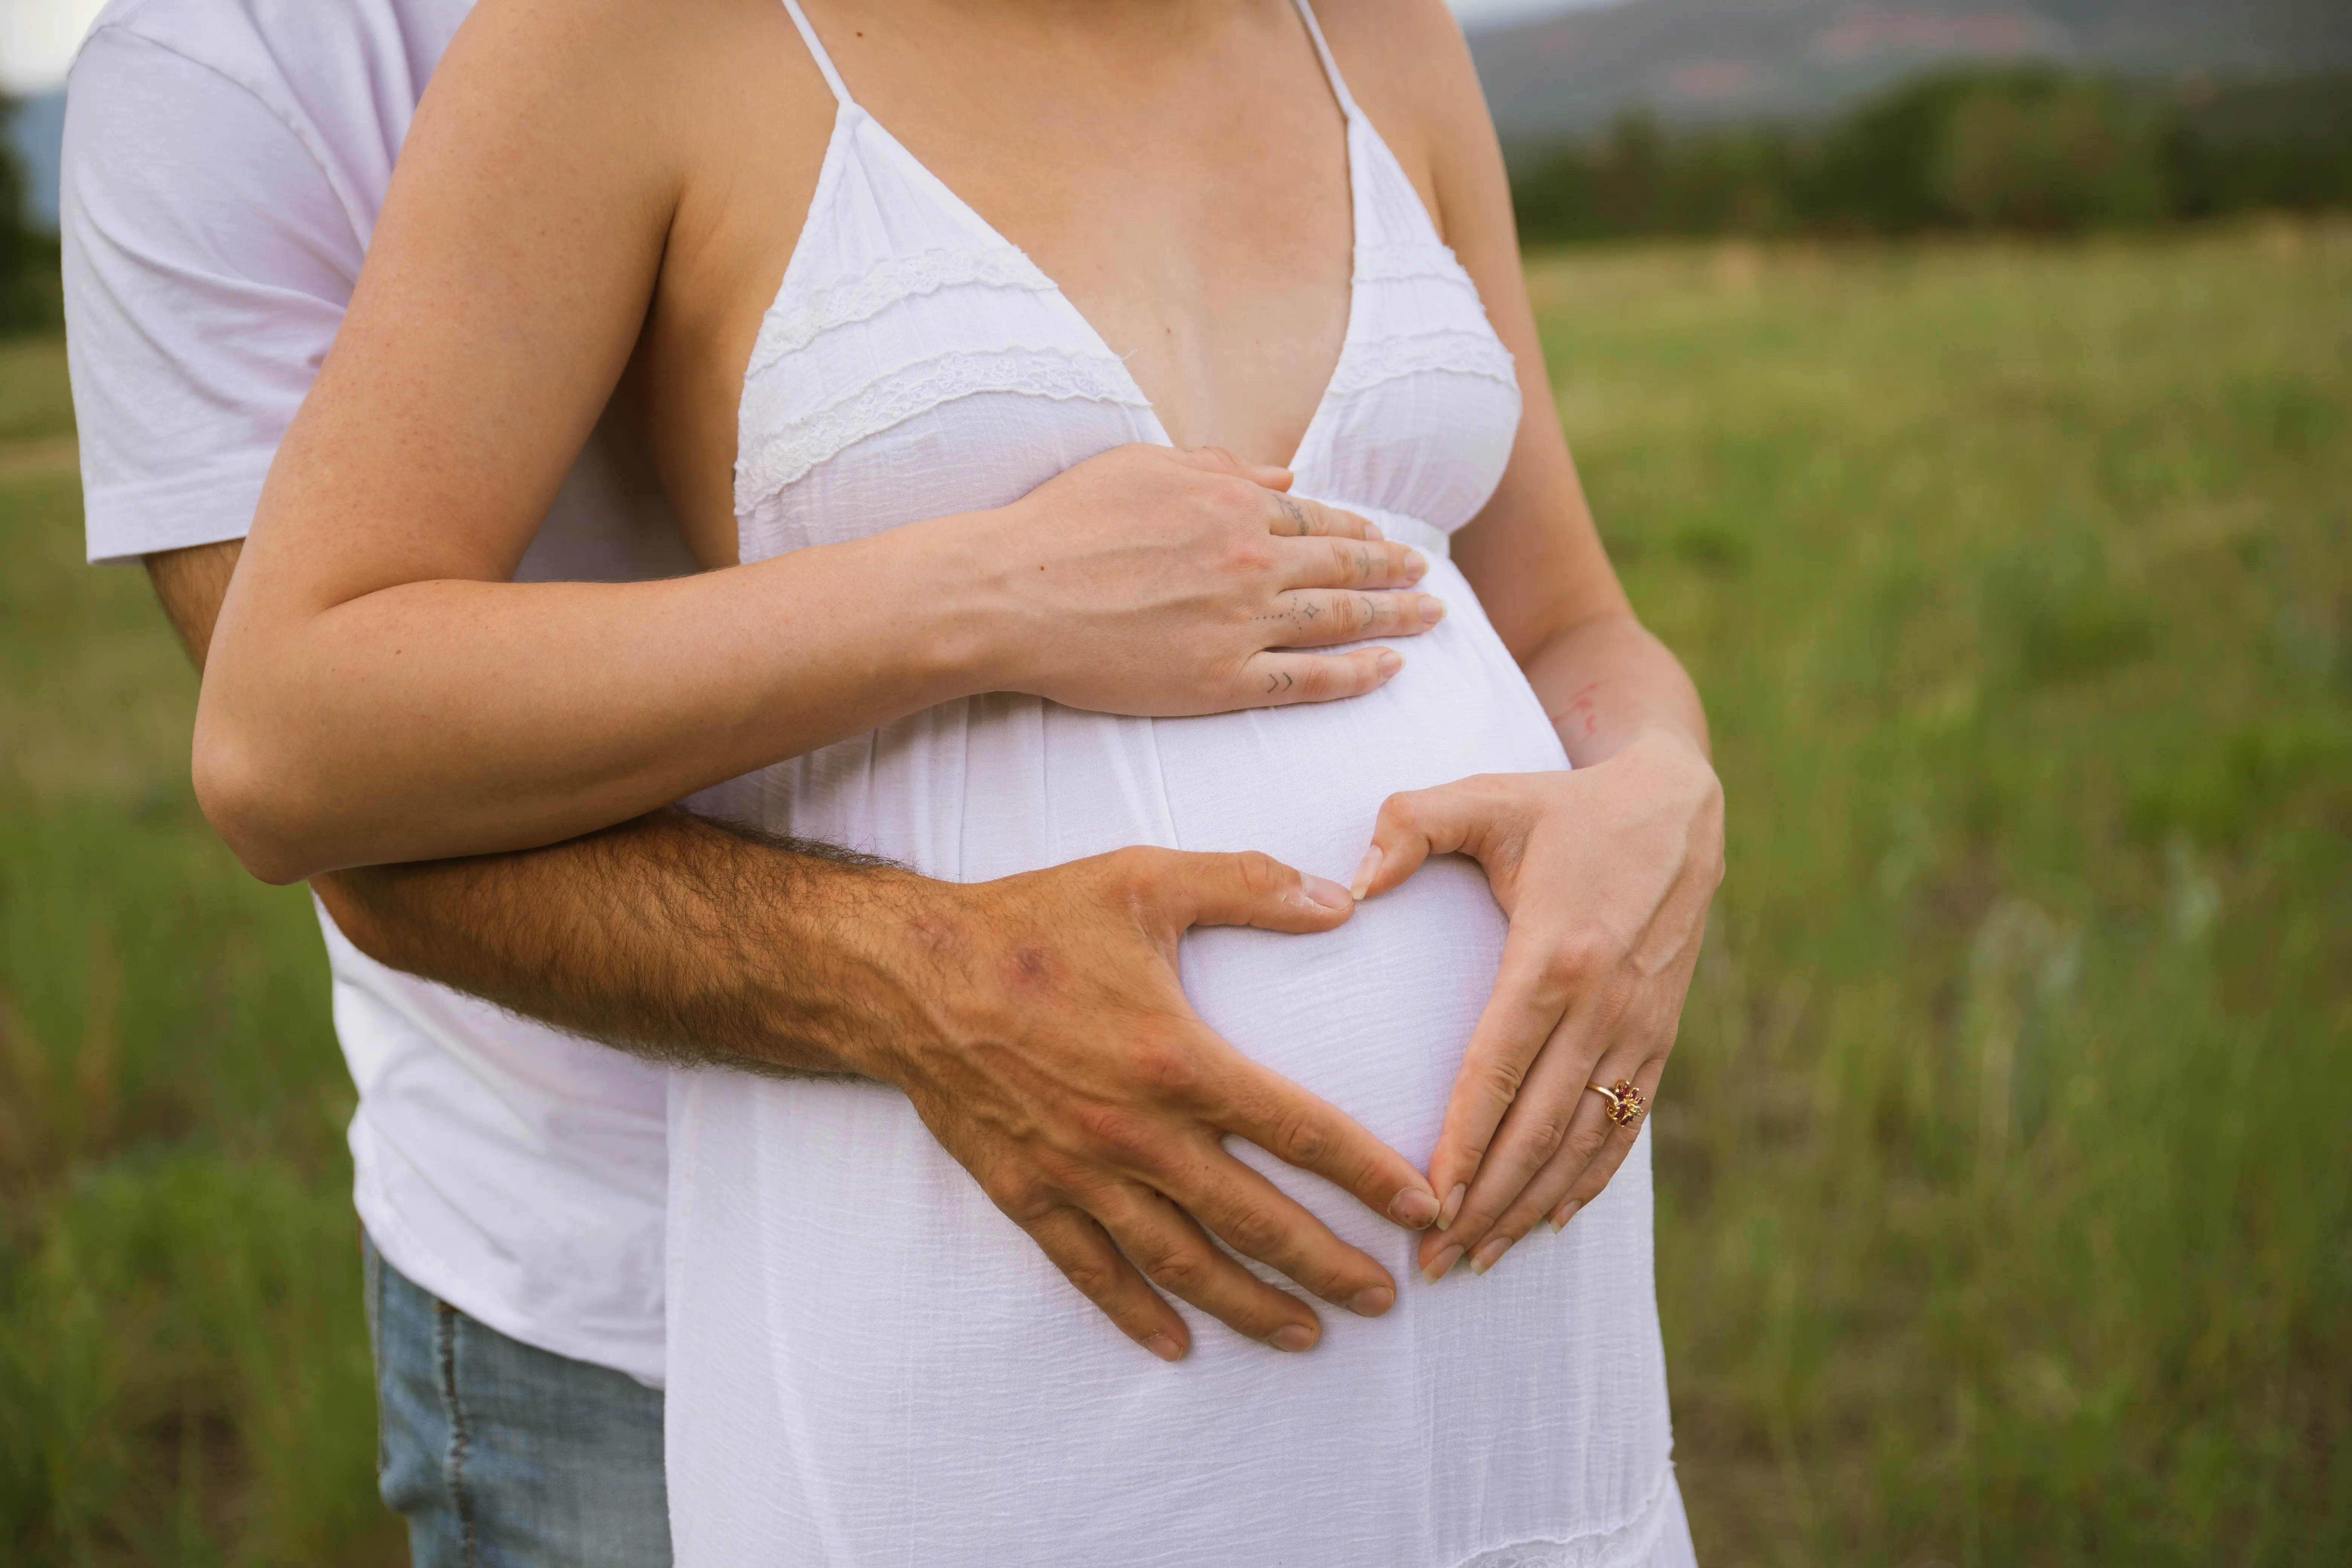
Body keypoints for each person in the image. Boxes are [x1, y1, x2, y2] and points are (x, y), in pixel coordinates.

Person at [191, 0, 1727, 1560]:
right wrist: (986, 594)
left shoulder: (1384, 36)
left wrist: (1659, 785)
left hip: (1525, 1381)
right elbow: (291, 730)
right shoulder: (623, 41)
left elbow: (1565, 619)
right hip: (1011, 1380)